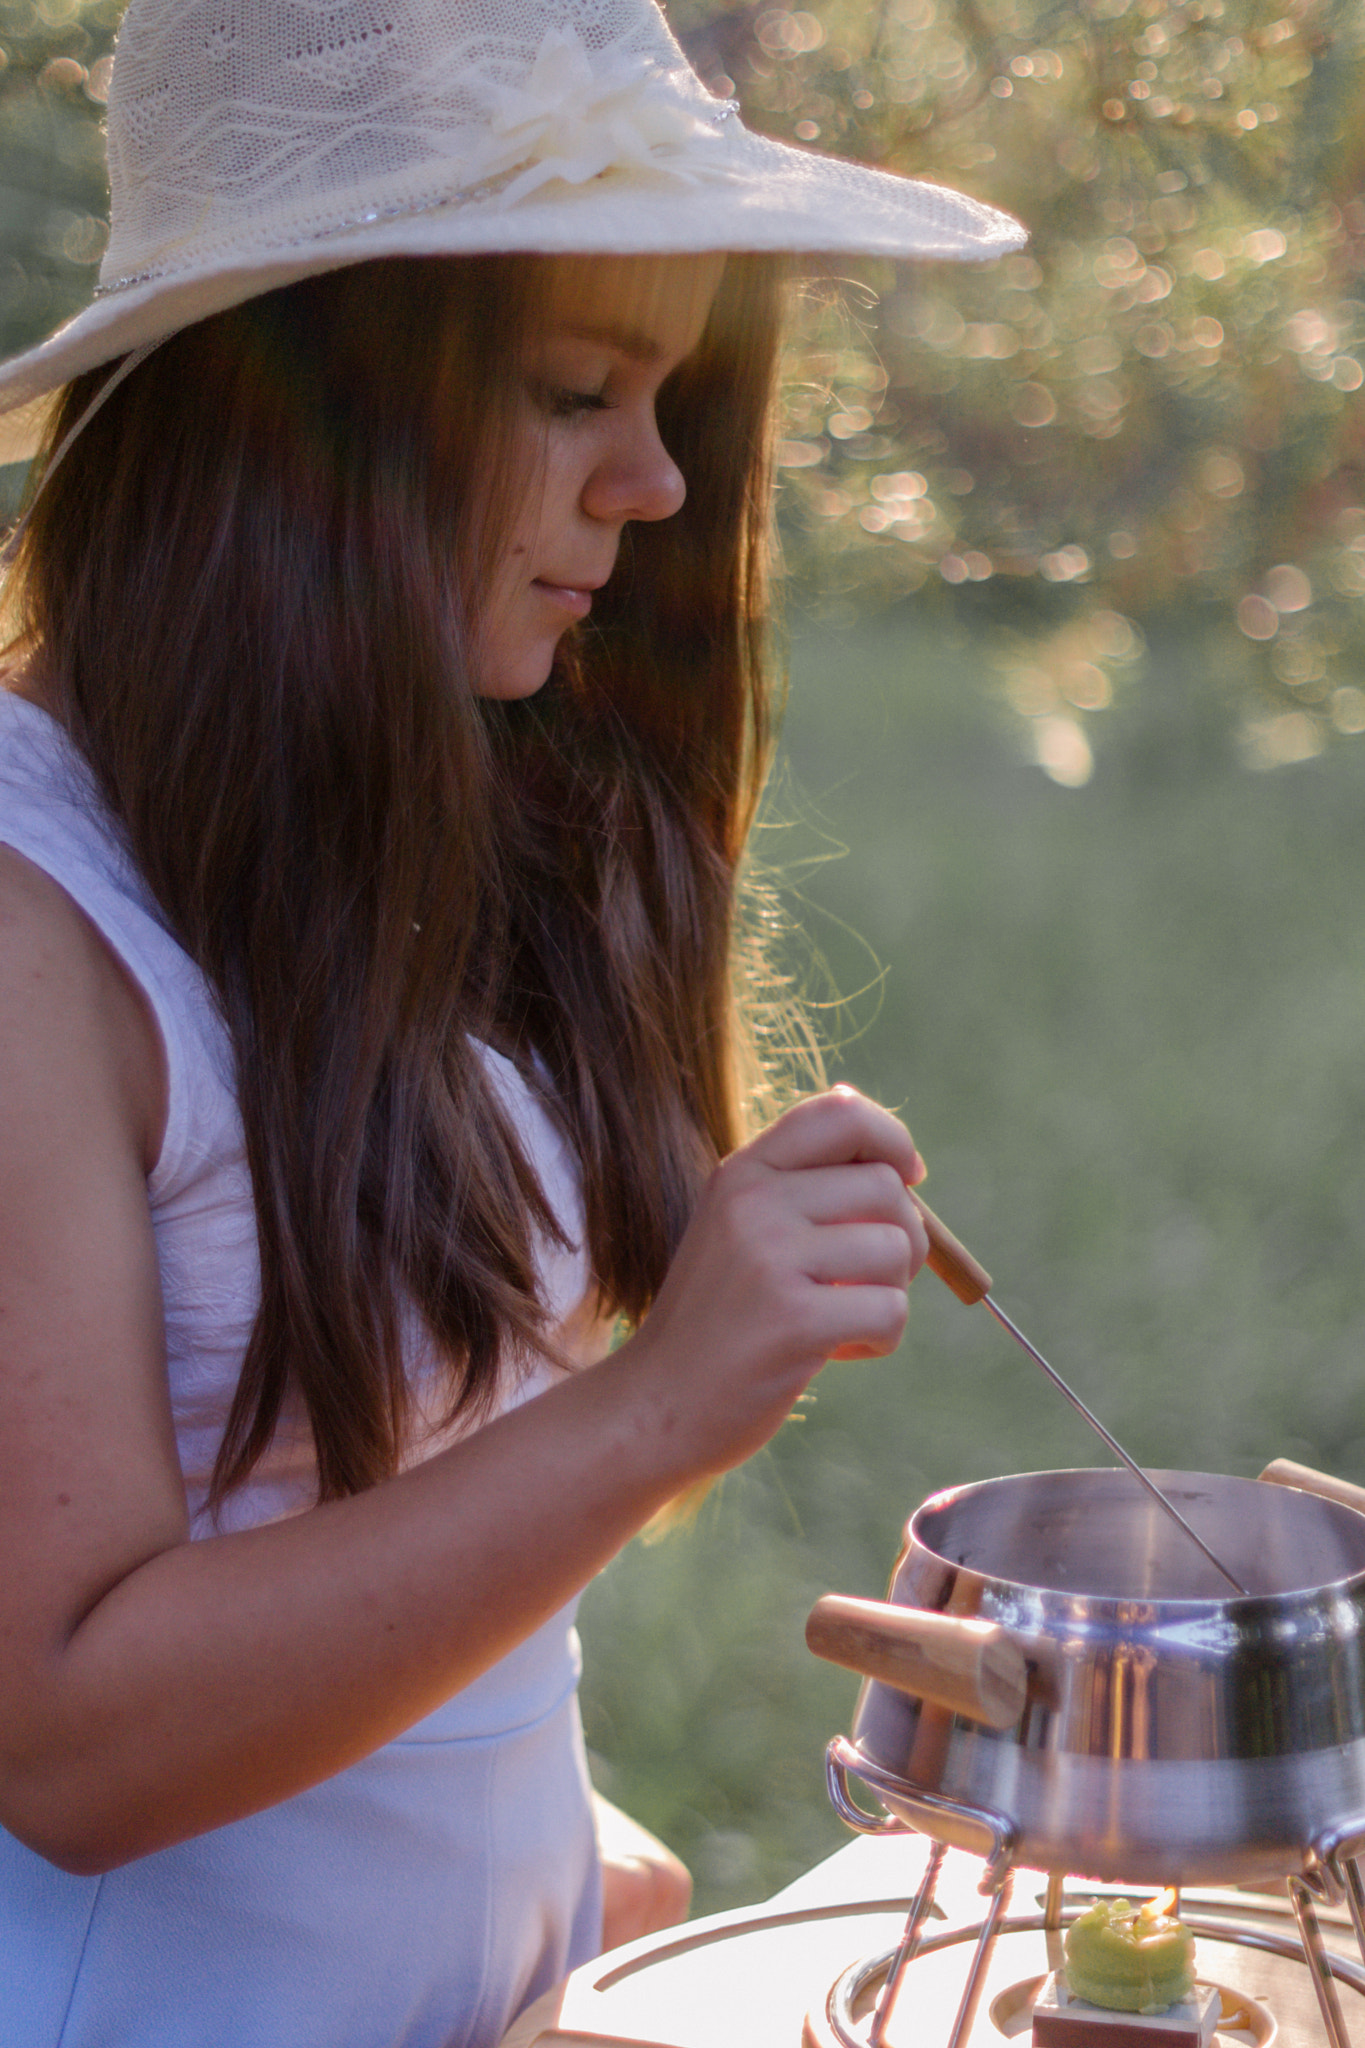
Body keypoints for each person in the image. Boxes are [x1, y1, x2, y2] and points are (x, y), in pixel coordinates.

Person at [0, 1, 1023, 2042]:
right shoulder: (33, 928)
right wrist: (660, 1401)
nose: (652, 482)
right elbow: (70, 1742)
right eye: (575, 389)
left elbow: (383, 1470)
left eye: (665, 394)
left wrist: (542, 1837)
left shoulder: (433, 789)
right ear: (306, 413)